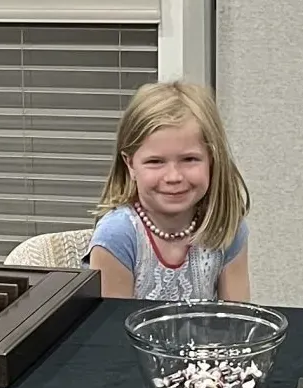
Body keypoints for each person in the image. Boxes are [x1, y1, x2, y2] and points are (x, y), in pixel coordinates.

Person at [86, 81, 250, 301]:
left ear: (212, 159)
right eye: (155, 162)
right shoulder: (117, 235)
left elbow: (237, 320)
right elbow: (111, 329)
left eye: (190, 159)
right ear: (130, 165)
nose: (173, 177)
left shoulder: (226, 227)